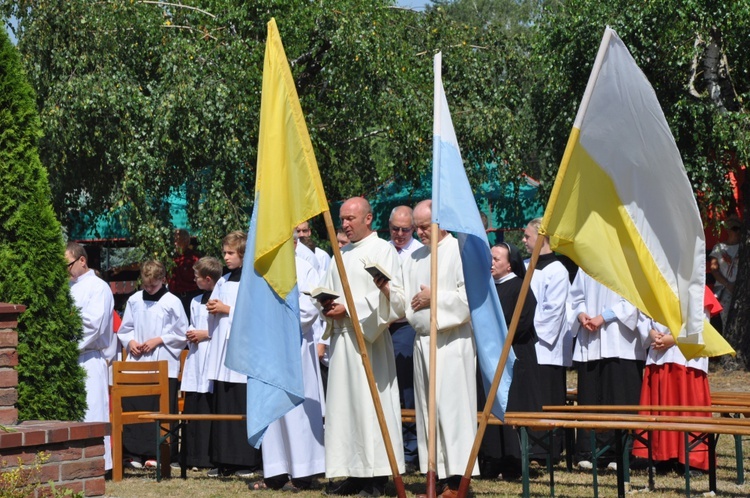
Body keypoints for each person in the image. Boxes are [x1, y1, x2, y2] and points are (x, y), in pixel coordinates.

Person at [320, 197, 405, 497]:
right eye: (342, 219)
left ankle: (377, 475)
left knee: (372, 405)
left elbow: (393, 297)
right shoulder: (339, 256)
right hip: (342, 341)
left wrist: (349, 308)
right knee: (345, 408)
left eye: (350, 219)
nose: (344, 225)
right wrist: (326, 306)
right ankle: (353, 471)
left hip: (369, 339)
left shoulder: (382, 250)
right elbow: (329, 291)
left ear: (368, 219)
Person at [397, 200, 478, 496]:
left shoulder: (459, 251)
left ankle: (458, 480)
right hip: (423, 341)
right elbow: (405, 299)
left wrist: (436, 298)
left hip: (452, 342)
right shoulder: (415, 256)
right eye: (416, 227)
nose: (418, 233)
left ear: (441, 223)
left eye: (423, 226)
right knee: (429, 411)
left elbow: (470, 299)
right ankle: (437, 476)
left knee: (453, 409)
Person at [252, 245, 326, 492]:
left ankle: (302, 472)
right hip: (267, 348)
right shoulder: (262, 268)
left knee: (296, 411)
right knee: (272, 409)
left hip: (294, 345)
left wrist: (276, 320)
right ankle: (276, 471)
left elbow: (310, 307)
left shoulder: (304, 267)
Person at [569, 269, 647, 470]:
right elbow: (575, 297)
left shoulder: (625, 260)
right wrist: (581, 315)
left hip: (620, 341)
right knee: (592, 397)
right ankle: (589, 450)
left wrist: (604, 317)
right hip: (591, 340)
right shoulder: (586, 263)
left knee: (619, 397)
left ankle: (621, 452)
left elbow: (635, 299)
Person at [117, 259, 188, 468]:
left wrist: (159, 339)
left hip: (163, 360)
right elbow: (125, 328)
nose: (149, 289)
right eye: (145, 285)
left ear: (163, 280)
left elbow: (182, 332)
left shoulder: (172, 301)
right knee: (136, 407)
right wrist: (131, 342)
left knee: (161, 408)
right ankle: (134, 454)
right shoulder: (135, 300)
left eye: (153, 285)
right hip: (138, 361)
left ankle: (160, 453)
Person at [480, 242, 542, 479]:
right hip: (490, 357)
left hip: (515, 357)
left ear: (510, 264)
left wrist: (498, 338)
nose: (492, 263)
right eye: (491, 259)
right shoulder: (487, 288)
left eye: (496, 259)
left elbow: (522, 323)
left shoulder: (520, 286)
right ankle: (493, 458)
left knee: (511, 406)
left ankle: (514, 461)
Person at [205, 231, 262, 477]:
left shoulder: (254, 280)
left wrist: (226, 308)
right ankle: (224, 459)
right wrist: (213, 308)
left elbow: (256, 312)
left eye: (230, 253)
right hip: (221, 350)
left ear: (242, 254)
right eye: (225, 252)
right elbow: (215, 307)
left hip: (243, 351)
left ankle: (246, 460)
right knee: (223, 403)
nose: (226, 258)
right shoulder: (223, 280)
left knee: (241, 403)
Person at [631, 313, 713, 473]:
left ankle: (692, 460)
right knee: (662, 405)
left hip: (687, 358)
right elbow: (644, 312)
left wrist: (673, 338)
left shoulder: (696, 287)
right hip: (659, 354)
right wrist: (652, 333)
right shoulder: (657, 286)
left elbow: (699, 320)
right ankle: (662, 456)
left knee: (687, 405)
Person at [522, 218, 572, 462]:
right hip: (528, 344)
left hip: (545, 346)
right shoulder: (525, 266)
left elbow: (553, 311)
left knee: (547, 396)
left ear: (542, 239)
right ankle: (531, 446)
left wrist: (527, 328)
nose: (523, 240)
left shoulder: (557, 270)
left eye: (527, 236)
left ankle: (548, 450)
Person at [65, 242, 117, 471]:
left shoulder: (99, 287)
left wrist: (65, 342)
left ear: (82, 260)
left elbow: (93, 324)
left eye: (67, 264)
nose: (65, 270)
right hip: (68, 360)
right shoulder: (67, 286)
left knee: (92, 411)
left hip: (88, 356)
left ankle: (98, 464)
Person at [387, 205, 423, 473]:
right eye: (395, 229)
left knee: (407, 389)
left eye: (405, 229)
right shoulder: (383, 249)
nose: (399, 234)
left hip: (404, 325)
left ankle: (411, 451)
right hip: (381, 325)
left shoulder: (420, 253)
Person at [181, 256, 223, 470]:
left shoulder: (221, 298)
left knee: (208, 402)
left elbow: (225, 327)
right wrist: (189, 333)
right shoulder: (195, 300)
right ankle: (191, 456)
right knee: (193, 402)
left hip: (212, 353)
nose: (194, 280)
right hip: (196, 356)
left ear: (208, 279)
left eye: (197, 277)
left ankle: (206, 457)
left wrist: (204, 334)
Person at [708, 215, 741, 330]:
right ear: (727, 230)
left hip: (740, 288)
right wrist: (727, 284)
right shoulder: (719, 248)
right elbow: (714, 269)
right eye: (734, 229)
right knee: (725, 320)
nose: (737, 232)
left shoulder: (744, 247)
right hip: (723, 288)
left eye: (739, 229)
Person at [168, 229, 201, 320]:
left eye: (178, 240)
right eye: (174, 240)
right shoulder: (170, 258)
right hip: (173, 296)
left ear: (186, 241)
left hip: (189, 297)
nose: (175, 243)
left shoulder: (194, 258)